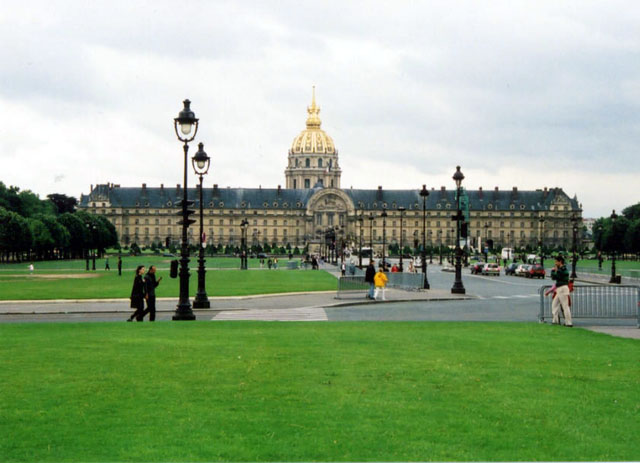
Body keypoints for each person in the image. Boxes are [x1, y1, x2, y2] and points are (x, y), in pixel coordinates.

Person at [550, 255, 572, 327]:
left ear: (560, 262)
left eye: (556, 261)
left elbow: (555, 277)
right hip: (560, 288)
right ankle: (555, 320)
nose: (555, 263)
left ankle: (568, 322)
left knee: (565, 306)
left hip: (562, 288)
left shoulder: (562, 269)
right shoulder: (562, 269)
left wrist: (554, 271)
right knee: (554, 304)